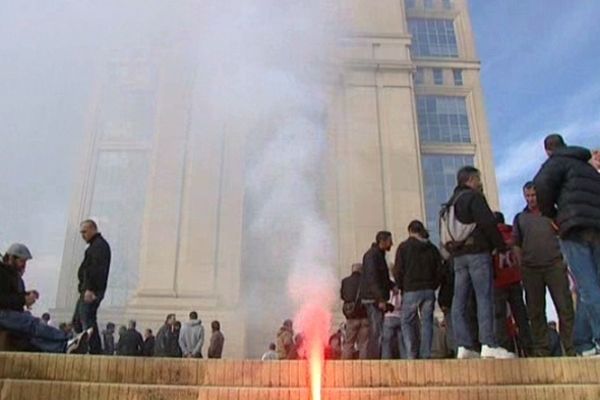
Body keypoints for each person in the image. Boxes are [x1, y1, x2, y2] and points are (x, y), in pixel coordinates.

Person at [534, 134, 600, 354]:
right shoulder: (587, 167)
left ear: (548, 150)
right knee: (587, 286)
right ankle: (583, 341)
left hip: (574, 228)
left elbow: (541, 184)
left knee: (589, 288)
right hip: (596, 227)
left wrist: (551, 214)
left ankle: (595, 338)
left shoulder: (556, 163)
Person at [443, 166, 515, 359]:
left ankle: (463, 346)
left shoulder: (449, 203)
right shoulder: (473, 197)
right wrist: (500, 247)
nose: (480, 182)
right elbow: (488, 223)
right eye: (478, 178)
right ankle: (488, 344)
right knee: (484, 297)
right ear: (470, 179)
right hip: (477, 253)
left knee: (459, 302)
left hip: (458, 257)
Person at [513, 181, 575, 357]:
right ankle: (542, 350)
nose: (531, 199)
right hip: (531, 269)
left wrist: (564, 260)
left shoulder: (552, 213)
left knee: (564, 307)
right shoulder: (520, 218)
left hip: (554, 265)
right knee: (535, 311)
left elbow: (564, 234)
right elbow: (516, 243)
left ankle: (570, 347)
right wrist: (521, 264)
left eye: (533, 195)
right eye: (528, 196)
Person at [0, 243, 90, 353]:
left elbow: (12, 296)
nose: (23, 265)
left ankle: (64, 347)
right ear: (10, 258)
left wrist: (26, 296)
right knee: (32, 323)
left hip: (10, 314)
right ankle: (68, 338)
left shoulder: (14, 276)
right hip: (3, 314)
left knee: (30, 337)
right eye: (21, 261)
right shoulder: (2, 273)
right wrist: (23, 299)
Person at [394, 220, 443, 359]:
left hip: (411, 290)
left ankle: (411, 354)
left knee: (407, 322)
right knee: (427, 322)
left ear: (410, 231)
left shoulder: (404, 247)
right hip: (428, 290)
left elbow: (398, 270)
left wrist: (402, 286)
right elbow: (439, 270)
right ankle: (426, 353)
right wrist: (434, 285)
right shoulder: (432, 248)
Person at [492, 212, 533, 356]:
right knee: (521, 315)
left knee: (501, 318)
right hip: (515, 280)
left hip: (498, 283)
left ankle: (507, 349)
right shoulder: (512, 234)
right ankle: (529, 348)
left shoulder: (492, 237)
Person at [72, 219, 111, 354]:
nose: (82, 235)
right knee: (78, 321)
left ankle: (95, 352)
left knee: (87, 321)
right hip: (87, 289)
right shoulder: (95, 246)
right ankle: (83, 347)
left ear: (93, 229)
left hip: (91, 290)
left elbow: (94, 270)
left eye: (84, 232)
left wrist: (89, 289)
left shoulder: (99, 246)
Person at [360, 231, 395, 359]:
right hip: (372, 299)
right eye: (390, 241)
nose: (392, 243)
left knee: (378, 331)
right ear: (383, 241)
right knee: (376, 332)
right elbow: (372, 279)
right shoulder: (372, 256)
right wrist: (380, 299)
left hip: (374, 298)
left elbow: (381, 278)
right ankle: (373, 360)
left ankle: (375, 358)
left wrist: (392, 286)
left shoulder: (378, 255)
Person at [340, 263, 369, 359]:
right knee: (364, 344)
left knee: (348, 343)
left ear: (352, 270)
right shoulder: (365, 281)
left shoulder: (345, 281)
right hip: (364, 315)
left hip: (351, 317)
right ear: (361, 270)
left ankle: (345, 368)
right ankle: (363, 368)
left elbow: (343, 296)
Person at [381, 287, 404, 359]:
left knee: (387, 343)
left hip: (389, 316)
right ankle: (405, 363)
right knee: (402, 344)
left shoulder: (387, 286)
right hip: (401, 316)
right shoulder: (402, 286)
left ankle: (386, 364)